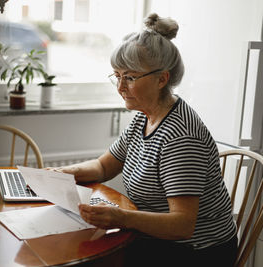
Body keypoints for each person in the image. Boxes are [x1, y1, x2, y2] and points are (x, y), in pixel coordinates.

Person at [48, 13, 237, 266]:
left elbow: (182, 225)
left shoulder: (181, 136)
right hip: (158, 237)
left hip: (196, 251)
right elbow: (105, 166)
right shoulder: (144, 116)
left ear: (162, 79)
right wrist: (63, 173)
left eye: (130, 77)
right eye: (117, 75)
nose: (120, 87)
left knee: (87, 255)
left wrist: (121, 217)